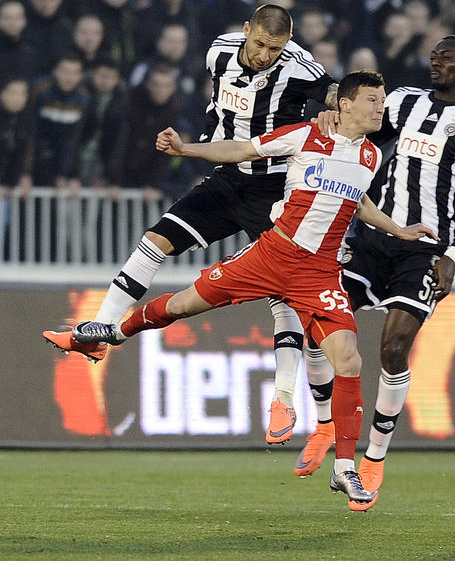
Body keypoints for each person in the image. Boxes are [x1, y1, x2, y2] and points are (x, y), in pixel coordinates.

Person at [66, 71, 435, 507]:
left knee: (349, 360)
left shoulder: (371, 156)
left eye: (383, 100)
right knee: (183, 304)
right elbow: (242, 149)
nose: (381, 108)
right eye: (374, 100)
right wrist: (186, 148)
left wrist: (398, 229)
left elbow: (361, 202)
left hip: (318, 274)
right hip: (271, 255)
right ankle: (114, 332)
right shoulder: (305, 135)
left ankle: (345, 470)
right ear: (347, 104)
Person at [42, 4, 339, 446]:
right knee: (154, 239)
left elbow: (336, 92)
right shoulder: (218, 52)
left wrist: (332, 109)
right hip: (224, 181)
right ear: (245, 32)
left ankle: (283, 399)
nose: (264, 55)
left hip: (274, 190)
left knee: (282, 289)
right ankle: (98, 333)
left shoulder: (299, 69)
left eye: (274, 48)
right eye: (259, 44)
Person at [291, 35, 455, 507]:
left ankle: (375, 455)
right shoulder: (403, 102)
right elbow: (359, 129)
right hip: (372, 238)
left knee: (393, 347)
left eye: (446, 59)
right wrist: (332, 114)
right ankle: (325, 425)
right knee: (317, 326)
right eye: (432, 57)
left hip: (425, 250)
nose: (436, 63)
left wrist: (453, 255)